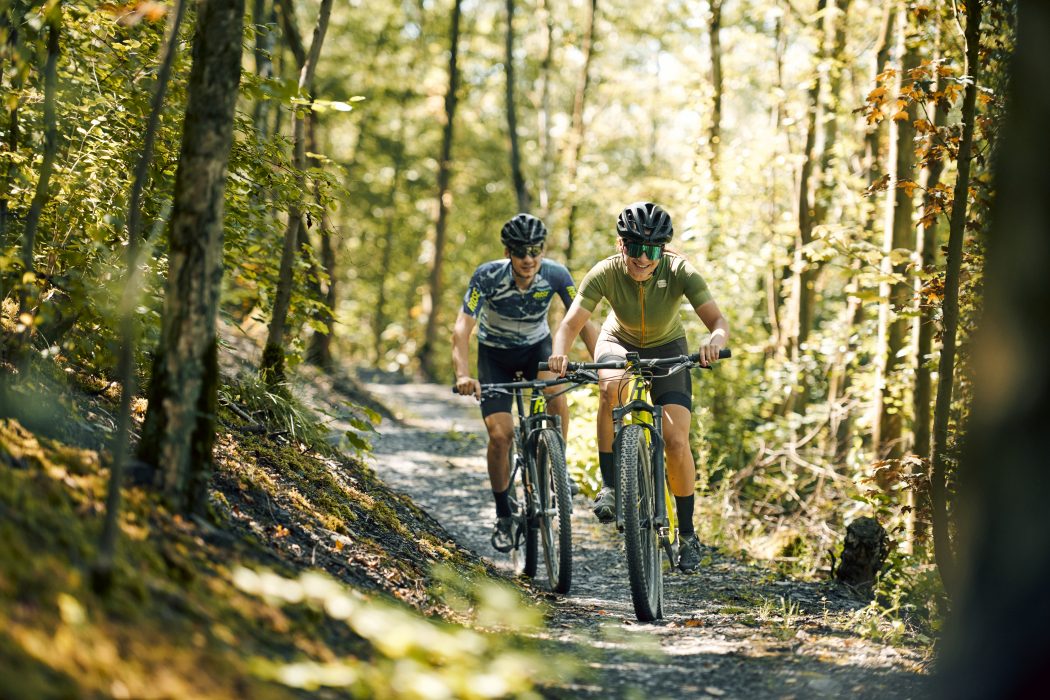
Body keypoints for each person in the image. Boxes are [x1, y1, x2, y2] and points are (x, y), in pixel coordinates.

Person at [546, 202, 729, 573]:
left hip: (668, 346)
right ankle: (611, 486)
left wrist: (714, 340)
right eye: (635, 248)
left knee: (676, 440)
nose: (643, 258)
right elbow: (569, 325)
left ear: (663, 249)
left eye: (652, 250)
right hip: (618, 341)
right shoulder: (605, 272)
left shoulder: (680, 271)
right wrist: (559, 354)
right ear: (621, 244)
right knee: (610, 388)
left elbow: (718, 321)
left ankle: (688, 534)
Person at [453, 213, 598, 553]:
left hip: (537, 349)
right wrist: (462, 375)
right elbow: (462, 328)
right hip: (495, 357)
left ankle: (557, 468)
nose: (528, 259)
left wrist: (601, 364)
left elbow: (583, 321)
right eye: (520, 251)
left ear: (542, 250)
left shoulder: (556, 274)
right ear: (508, 253)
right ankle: (504, 514)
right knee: (500, 436)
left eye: (535, 250)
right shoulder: (487, 276)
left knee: (554, 390)